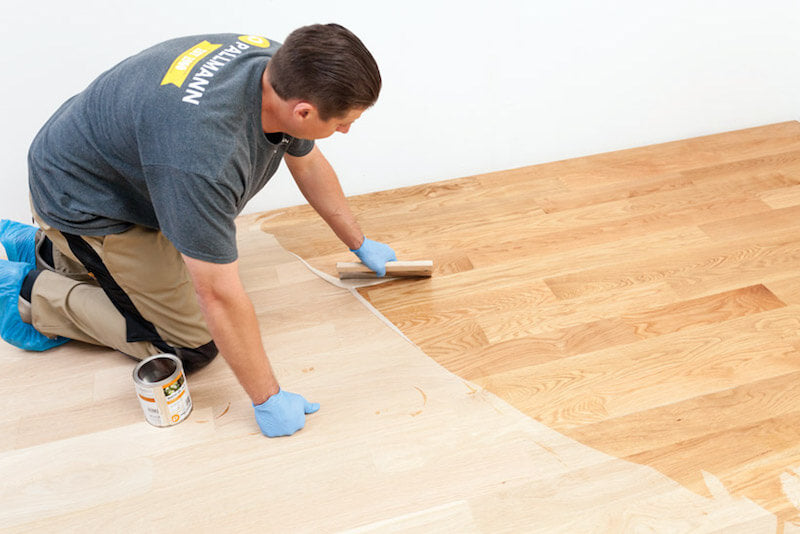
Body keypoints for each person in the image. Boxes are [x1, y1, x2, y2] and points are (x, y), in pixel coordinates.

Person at [0, 24, 396, 438]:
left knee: (189, 282)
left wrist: (359, 241)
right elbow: (218, 296)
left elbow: (308, 162)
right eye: (345, 122)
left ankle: (45, 249)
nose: (347, 131)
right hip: (83, 200)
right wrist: (267, 398)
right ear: (304, 111)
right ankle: (27, 293)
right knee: (189, 345)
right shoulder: (203, 157)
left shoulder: (282, 68)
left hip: (117, 168)